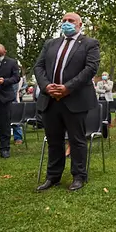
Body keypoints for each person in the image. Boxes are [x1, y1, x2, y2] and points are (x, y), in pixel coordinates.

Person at [34, 12, 100, 192]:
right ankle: (53, 176)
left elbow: (91, 68)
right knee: (54, 140)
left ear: (80, 24)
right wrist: (47, 87)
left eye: (71, 21)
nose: (66, 23)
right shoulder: (50, 44)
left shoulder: (89, 44)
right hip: (50, 99)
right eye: (64, 21)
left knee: (77, 139)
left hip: (75, 99)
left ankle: (79, 176)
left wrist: (67, 88)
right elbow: (38, 67)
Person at [12, 65, 26, 145]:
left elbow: (14, 92)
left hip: (14, 101)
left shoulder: (17, 79)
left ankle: (18, 137)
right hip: (3, 101)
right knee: (2, 121)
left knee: (15, 120)